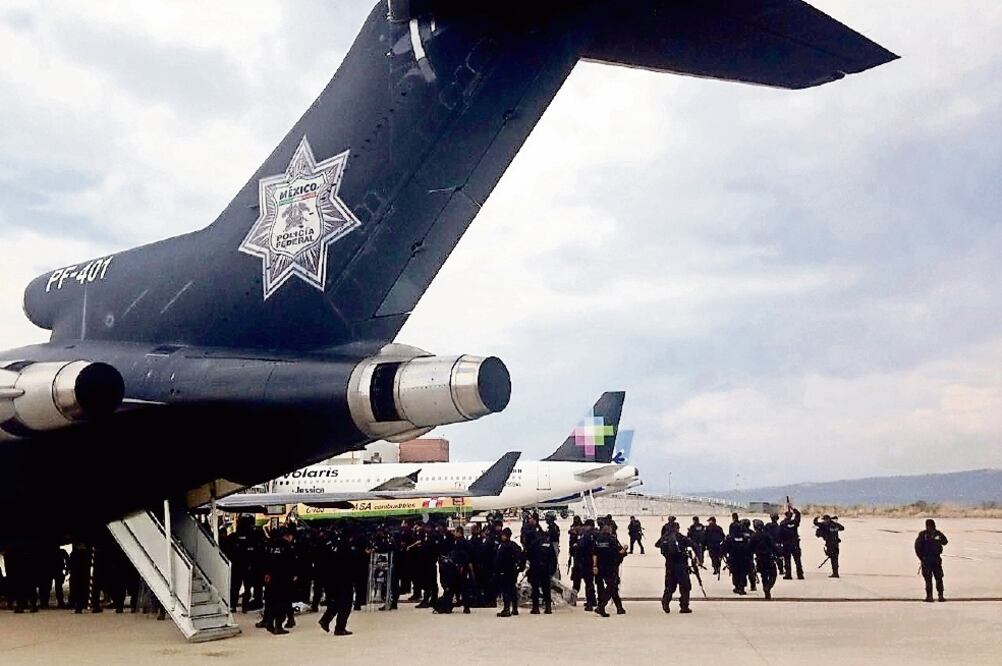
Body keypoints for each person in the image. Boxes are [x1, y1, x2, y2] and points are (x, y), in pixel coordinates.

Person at [259, 527, 297, 635]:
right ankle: (278, 626)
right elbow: (291, 563)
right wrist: (294, 575)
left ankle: (269, 623)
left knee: (271, 601)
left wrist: (266, 573)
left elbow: (266, 559)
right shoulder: (287, 547)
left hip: (271, 578)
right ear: (288, 536)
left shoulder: (271, 545)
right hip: (283, 579)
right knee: (283, 602)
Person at [318, 527, 354, 636]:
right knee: (346, 603)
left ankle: (326, 619)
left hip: (331, 577)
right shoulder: (346, 544)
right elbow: (350, 561)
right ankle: (339, 627)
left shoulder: (330, 543)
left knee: (338, 600)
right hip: (344, 577)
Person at [655, 521, 693, 614]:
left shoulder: (665, 537)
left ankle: (665, 601)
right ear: (677, 528)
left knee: (670, 585)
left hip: (670, 565)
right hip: (681, 565)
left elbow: (657, 544)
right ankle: (684, 607)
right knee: (685, 586)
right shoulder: (681, 537)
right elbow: (692, 544)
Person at [593, 521, 627, 617]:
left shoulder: (598, 540)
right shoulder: (612, 539)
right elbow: (619, 552)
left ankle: (619, 608)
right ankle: (601, 605)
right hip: (611, 566)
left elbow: (594, 554)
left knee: (613, 587)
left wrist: (595, 566)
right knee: (612, 586)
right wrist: (625, 548)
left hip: (600, 566)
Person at [914, 519, 948, 602]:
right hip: (928, 559)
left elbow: (945, 542)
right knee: (929, 578)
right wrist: (922, 558)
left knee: (937, 578)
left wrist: (938, 537)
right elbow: (917, 547)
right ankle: (931, 596)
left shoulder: (936, 534)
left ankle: (939, 596)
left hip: (934, 559)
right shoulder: (923, 535)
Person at [494, 528, 524, 617]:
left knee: (506, 590)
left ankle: (506, 609)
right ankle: (514, 608)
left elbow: (499, 560)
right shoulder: (514, 545)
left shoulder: (504, 546)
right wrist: (519, 568)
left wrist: (498, 570)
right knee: (512, 589)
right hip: (512, 571)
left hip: (505, 571)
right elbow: (521, 557)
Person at [527, 530, 558, 614]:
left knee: (535, 589)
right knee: (546, 589)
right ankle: (548, 608)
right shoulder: (549, 544)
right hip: (546, 569)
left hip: (536, 568)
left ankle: (536, 608)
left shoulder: (534, 543)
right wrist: (552, 571)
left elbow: (528, 554)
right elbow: (553, 558)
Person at [751, 519, 781, 600]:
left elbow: (750, 548)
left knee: (764, 576)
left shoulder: (753, 536)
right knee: (773, 574)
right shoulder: (767, 535)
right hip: (768, 557)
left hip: (759, 559)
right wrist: (779, 554)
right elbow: (773, 546)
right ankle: (768, 587)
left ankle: (766, 590)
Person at [573, 519, 597, 611]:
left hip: (585, 561)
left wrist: (576, 546)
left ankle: (590, 603)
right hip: (593, 561)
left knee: (588, 583)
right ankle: (593, 600)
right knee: (591, 582)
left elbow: (581, 547)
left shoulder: (585, 535)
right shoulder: (596, 534)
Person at [723, 524, 752, 595]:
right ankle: (741, 587)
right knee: (743, 573)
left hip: (734, 558)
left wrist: (724, 555)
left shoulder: (730, 538)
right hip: (744, 558)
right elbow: (749, 547)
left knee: (735, 573)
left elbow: (725, 548)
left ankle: (737, 586)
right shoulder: (745, 538)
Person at [778, 507, 805, 580]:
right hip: (795, 543)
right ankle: (800, 574)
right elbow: (798, 515)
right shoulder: (795, 522)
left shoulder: (783, 523)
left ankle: (788, 574)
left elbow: (780, 533)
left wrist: (780, 542)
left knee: (787, 560)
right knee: (797, 560)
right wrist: (793, 508)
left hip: (786, 544)